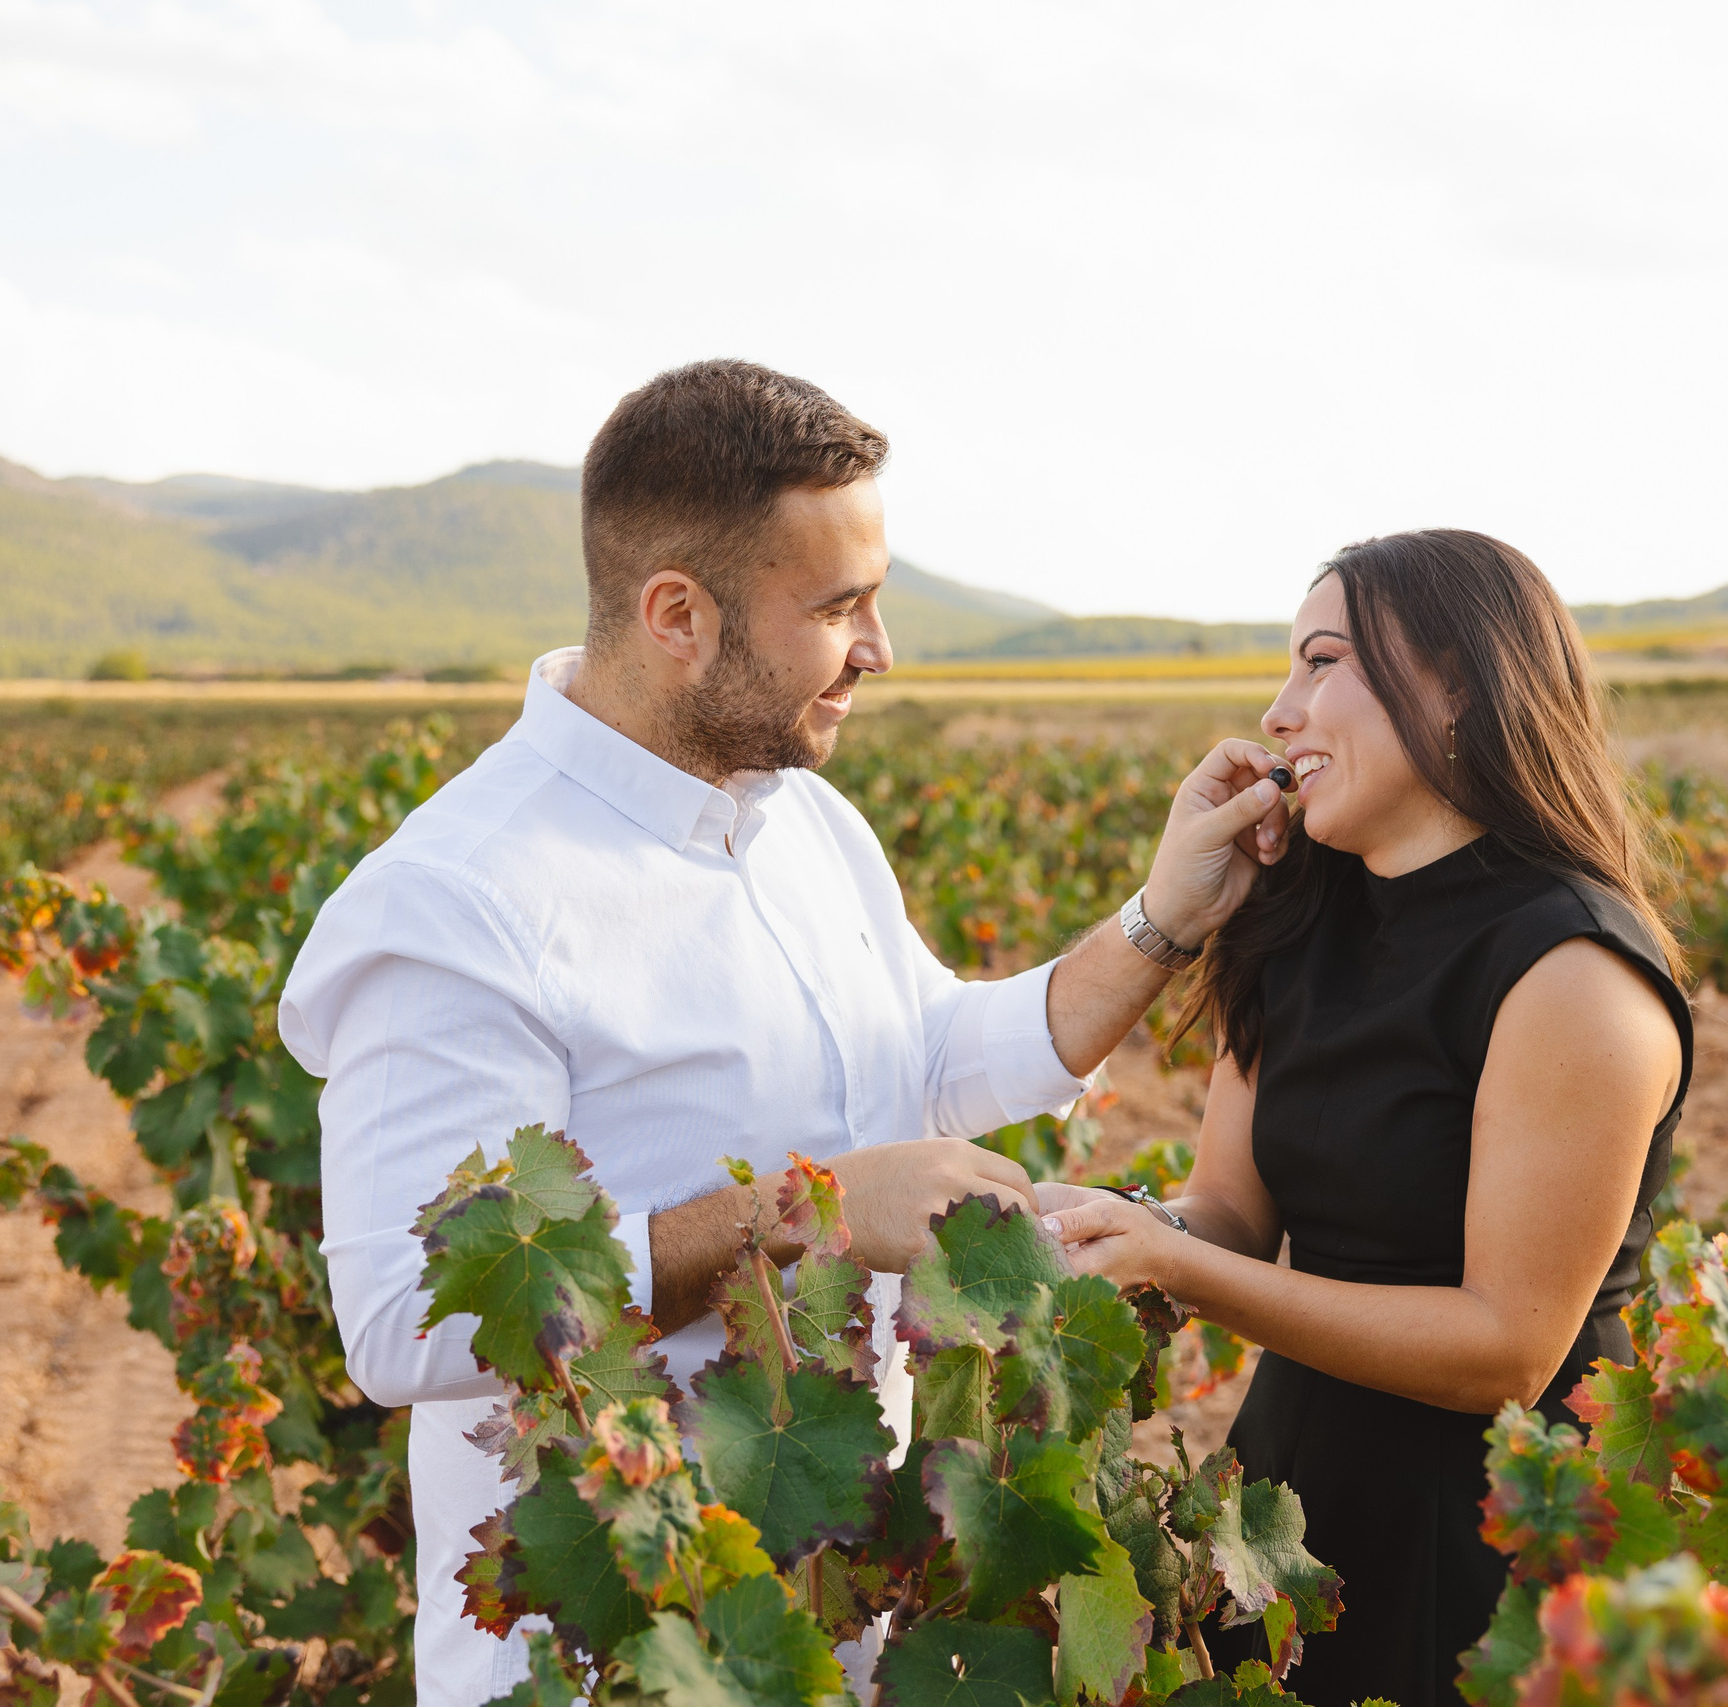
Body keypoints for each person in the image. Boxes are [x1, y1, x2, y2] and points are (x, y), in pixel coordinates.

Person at [276, 360, 1291, 1706]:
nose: (881, 647)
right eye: (839, 606)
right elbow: (404, 1323)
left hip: (835, 1628)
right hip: (616, 1658)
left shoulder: (802, 818)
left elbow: (931, 1055)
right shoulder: (457, 900)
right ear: (678, 614)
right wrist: (799, 1212)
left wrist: (1163, 916)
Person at [1041, 530, 1692, 1707]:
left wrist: (1177, 1268)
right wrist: (1114, 1227)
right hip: (1290, 1495)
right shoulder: (1294, 918)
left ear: (1456, 687)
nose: (1280, 712)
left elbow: (1506, 1349)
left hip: (1488, 1520)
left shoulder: (1571, 971)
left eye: (1321, 662)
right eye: (1285, 670)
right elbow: (1232, 1214)